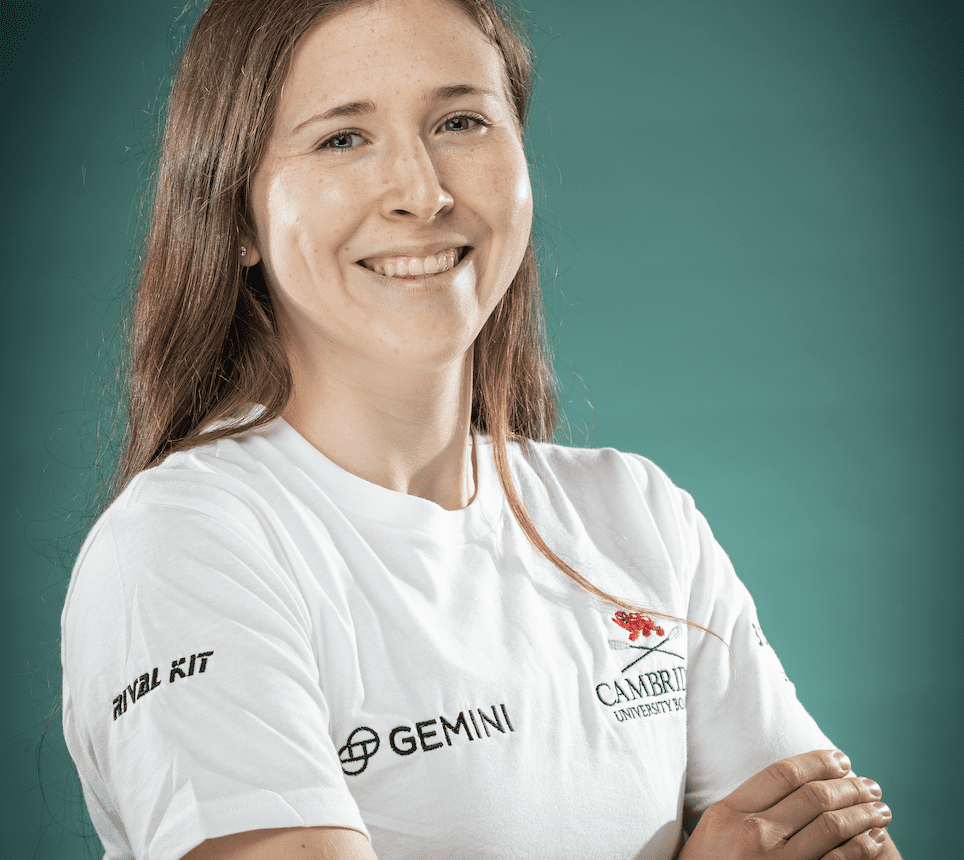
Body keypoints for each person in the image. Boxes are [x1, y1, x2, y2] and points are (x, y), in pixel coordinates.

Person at [60, 1, 902, 858]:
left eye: (460, 122)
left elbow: (842, 839)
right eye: (342, 139)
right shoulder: (183, 546)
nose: (423, 194)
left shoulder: (637, 515)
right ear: (237, 215)